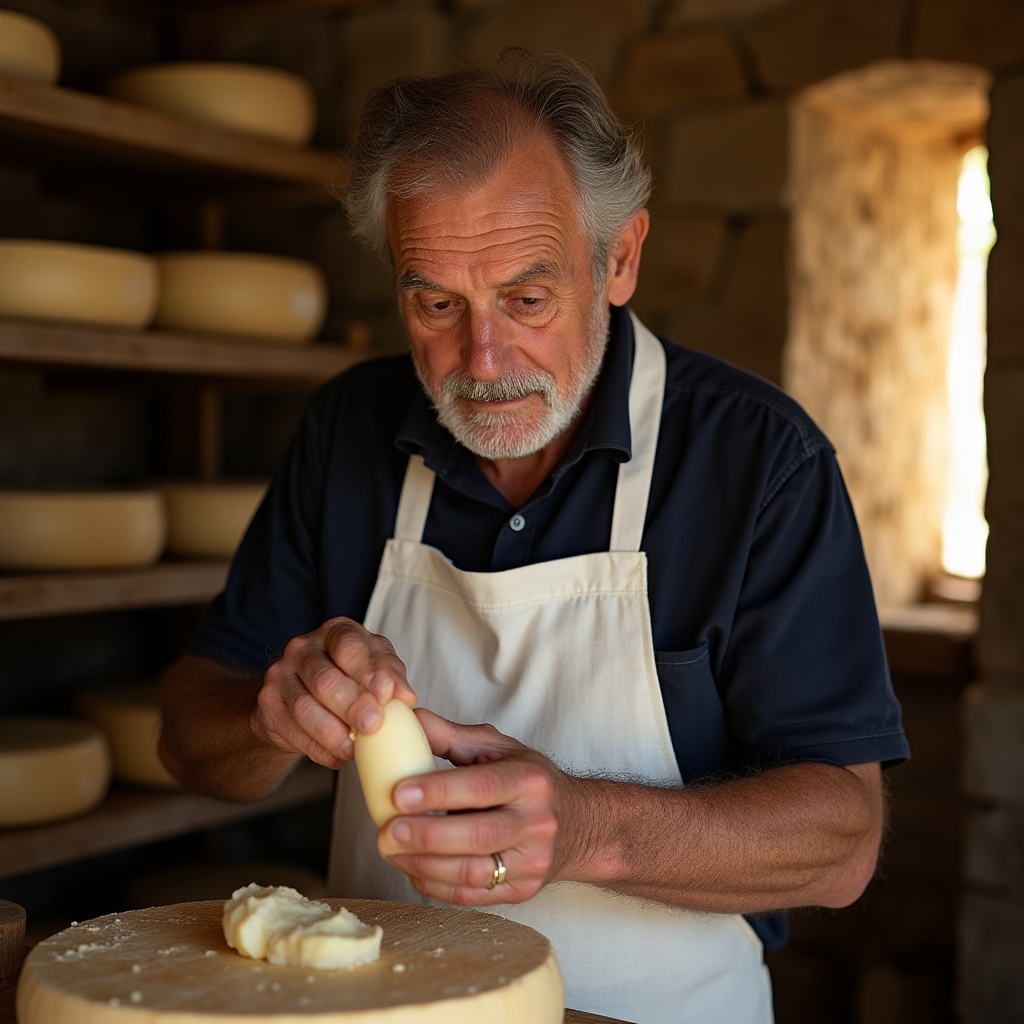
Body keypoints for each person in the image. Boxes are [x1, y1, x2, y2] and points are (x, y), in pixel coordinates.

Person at [159, 50, 908, 1024]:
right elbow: (187, 739)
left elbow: (843, 842)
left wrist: (586, 828)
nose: (482, 359)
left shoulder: (759, 462)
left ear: (620, 258)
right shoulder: (347, 430)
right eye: (436, 303)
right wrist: (271, 714)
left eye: (526, 298)